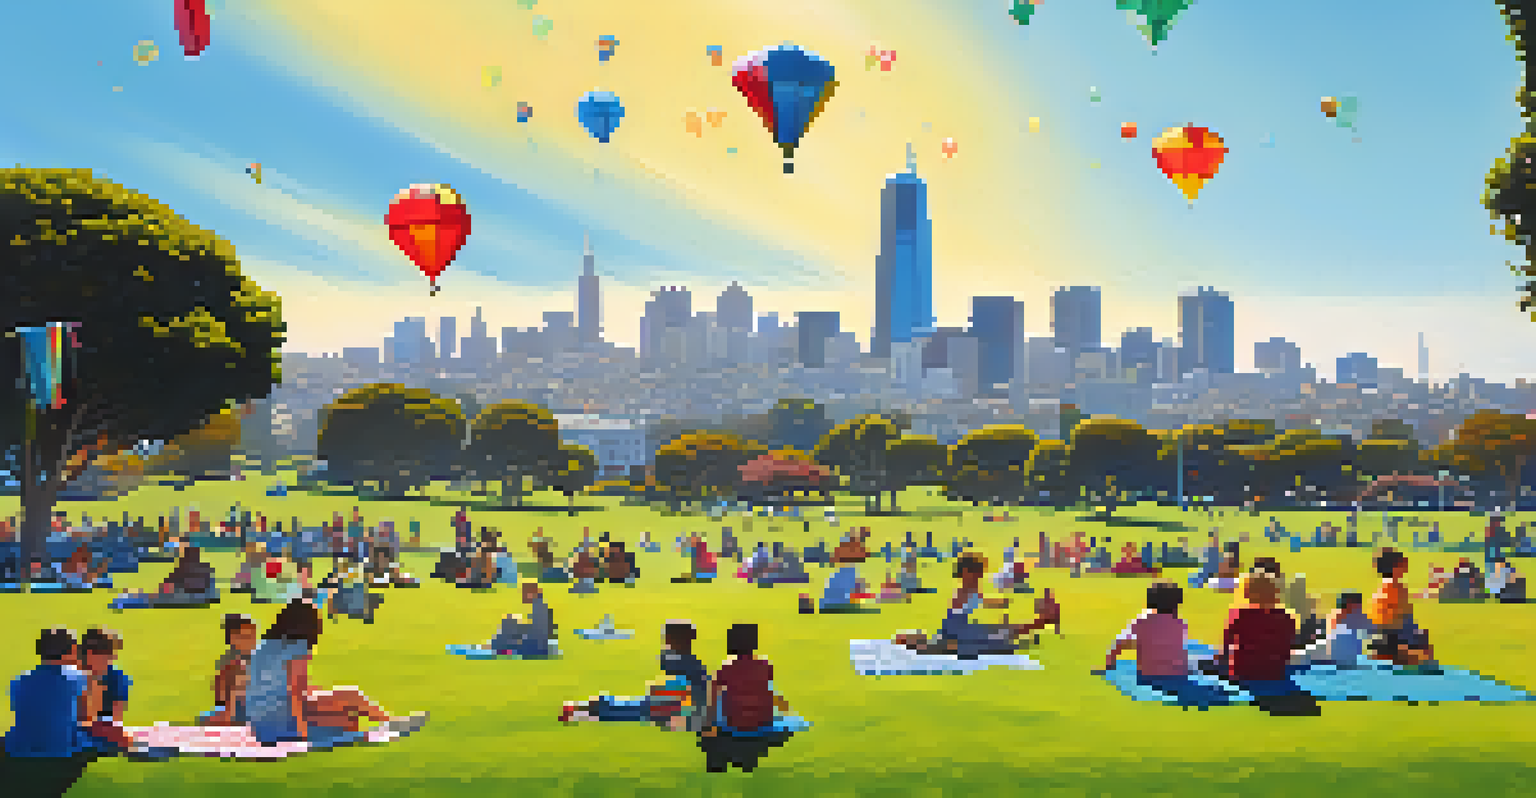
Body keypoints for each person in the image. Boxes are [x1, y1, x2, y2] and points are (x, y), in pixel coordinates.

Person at [245, 599, 425, 745]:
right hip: (280, 721)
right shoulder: (297, 647)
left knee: (347, 713)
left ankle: (390, 722)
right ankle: (392, 722)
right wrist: (302, 730)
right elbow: (295, 691)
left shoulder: (263, 646)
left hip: (260, 725)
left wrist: (320, 698)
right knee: (351, 701)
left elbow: (285, 687)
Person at [894, 552, 1060, 658]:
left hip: (960, 627)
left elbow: (981, 600)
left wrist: (1001, 602)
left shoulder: (969, 588)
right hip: (958, 628)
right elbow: (976, 600)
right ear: (966, 573)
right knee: (999, 636)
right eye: (978, 571)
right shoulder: (966, 588)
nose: (980, 575)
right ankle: (1044, 620)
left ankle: (1044, 620)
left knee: (1002, 631)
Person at [1099, 582, 1230, 709]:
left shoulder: (1142, 620)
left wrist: (1109, 663)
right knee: (1200, 661)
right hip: (1179, 674)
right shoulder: (1179, 623)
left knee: (1196, 661)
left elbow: (1121, 643)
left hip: (1148, 675)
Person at [2, 628, 101, 795]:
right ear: (72, 650)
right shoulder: (79, 678)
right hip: (58, 751)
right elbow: (88, 719)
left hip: (18, 748)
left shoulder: (19, 680)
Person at [562, 621, 710, 730]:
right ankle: (580, 708)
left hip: (673, 705)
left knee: (627, 708)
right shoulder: (689, 661)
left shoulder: (683, 661)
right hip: (670, 703)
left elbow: (689, 691)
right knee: (627, 707)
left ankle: (579, 708)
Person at [699, 624, 794, 773]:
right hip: (762, 719)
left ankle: (719, 755)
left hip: (735, 721)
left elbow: (713, 695)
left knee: (717, 695)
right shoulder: (765, 665)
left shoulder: (726, 667)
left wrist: (708, 724)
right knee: (764, 691)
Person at [1221, 572, 1319, 714]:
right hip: (1276, 672)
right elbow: (1288, 648)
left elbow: (1226, 646)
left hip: (1243, 673)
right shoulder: (1287, 618)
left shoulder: (1239, 614)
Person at [1366, 549, 1437, 668]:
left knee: (1421, 638)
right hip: (1393, 640)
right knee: (1425, 647)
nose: (1406, 564)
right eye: (1402, 562)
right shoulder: (1393, 588)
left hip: (1387, 638)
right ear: (1395, 567)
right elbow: (1397, 621)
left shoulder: (1388, 587)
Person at [1290, 593, 1373, 670]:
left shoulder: (1349, 616)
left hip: (1336, 654)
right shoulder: (1345, 616)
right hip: (1340, 655)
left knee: (1300, 656)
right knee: (1301, 655)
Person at [209, 614, 258, 725]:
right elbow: (222, 695)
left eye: (254, 636)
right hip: (237, 711)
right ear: (233, 639)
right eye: (247, 637)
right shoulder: (230, 662)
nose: (253, 641)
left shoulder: (253, 659)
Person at [488, 581, 557, 657]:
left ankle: (497, 646)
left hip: (534, 648)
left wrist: (517, 628)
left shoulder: (539, 608)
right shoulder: (540, 606)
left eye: (524, 593)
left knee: (508, 626)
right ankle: (498, 645)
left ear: (530, 594)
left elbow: (536, 633)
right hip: (537, 645)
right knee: (510, 624)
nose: (523, 596)